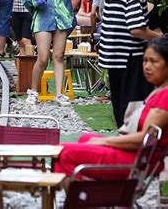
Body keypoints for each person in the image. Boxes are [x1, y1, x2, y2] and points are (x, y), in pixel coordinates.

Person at [54, 36, 168, 191]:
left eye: (153, 61)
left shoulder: (164, 96)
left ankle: (86, 199)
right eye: (145, 60)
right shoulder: (158, 89)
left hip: (135, 161)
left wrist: (106, 142)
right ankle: (89, 194)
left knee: (63, 152)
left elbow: (144, 139)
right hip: (137, 156)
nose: (147, 66)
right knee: (85, 137)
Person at [99, 0, 165, 127]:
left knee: (121, 110)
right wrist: (159, 37)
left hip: (114, 58)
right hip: (129, 58)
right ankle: (131, 149)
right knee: (133, 112)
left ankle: (122, 146)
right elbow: (137, 29)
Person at [23, 0, 81, 106]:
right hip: (43, 20)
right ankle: (33, 92)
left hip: (62, 19)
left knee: (58, 56)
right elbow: (32, 0)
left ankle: (59, 94)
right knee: (42, 58)